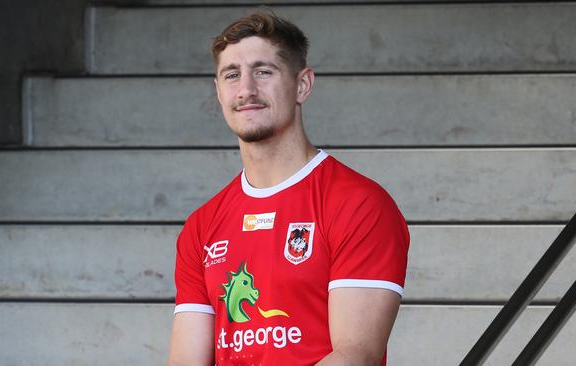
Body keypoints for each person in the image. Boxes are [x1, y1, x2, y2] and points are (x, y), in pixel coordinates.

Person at [167, 10, 409, 366]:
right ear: (218, 92)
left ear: (302, 85)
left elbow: (355, 356)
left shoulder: (359, 205)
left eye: (264, 72)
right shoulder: (201, 227)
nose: (246, 89)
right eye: (231, 75)